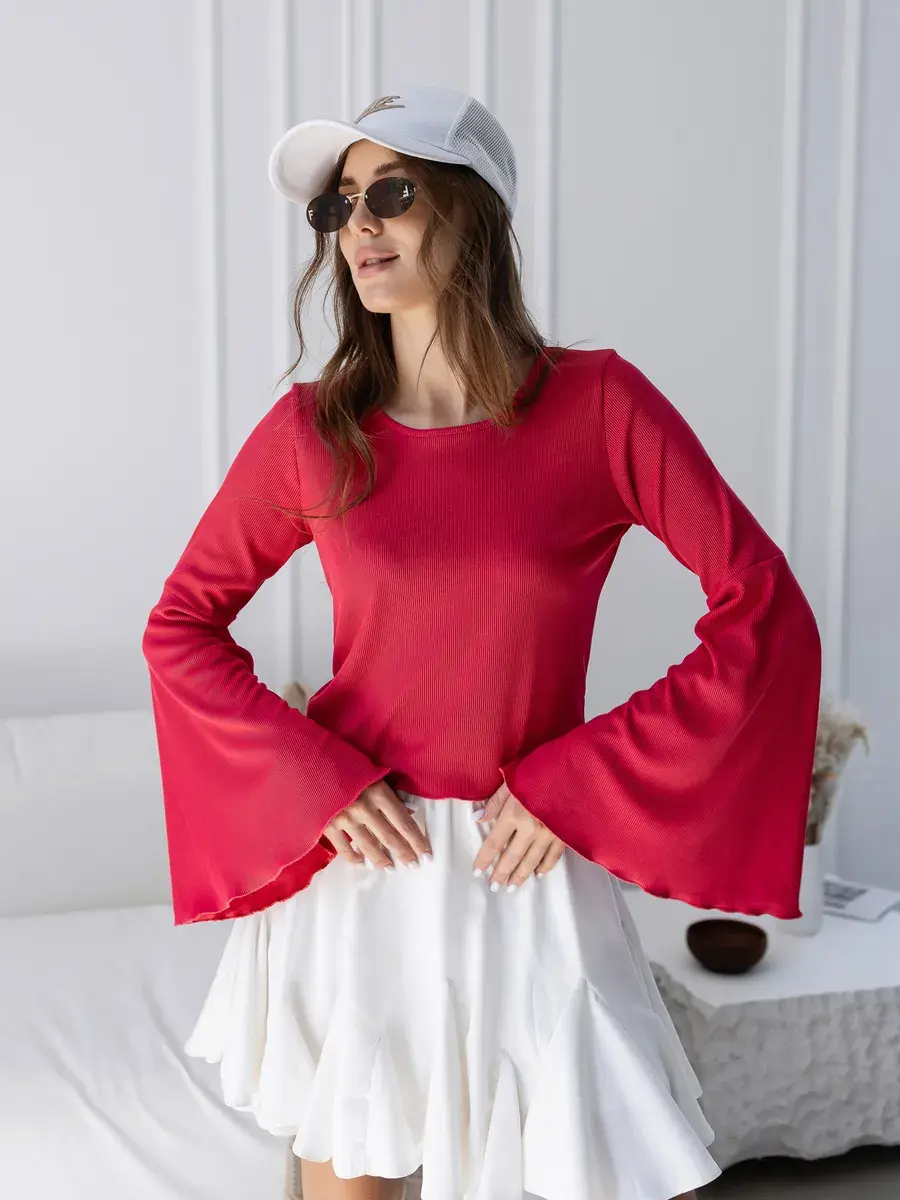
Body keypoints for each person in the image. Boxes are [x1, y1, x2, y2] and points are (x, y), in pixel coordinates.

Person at [142, 85, 822, 1200]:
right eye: (340, 205)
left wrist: (581, 781)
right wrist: (311, 777)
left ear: (474, 211)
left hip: (529, 871)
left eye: (392, 194)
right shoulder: (313, 433)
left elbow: (764, 607)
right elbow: (180, 628)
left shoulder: (600, 406)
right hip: (364, 877)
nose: (358, 226)